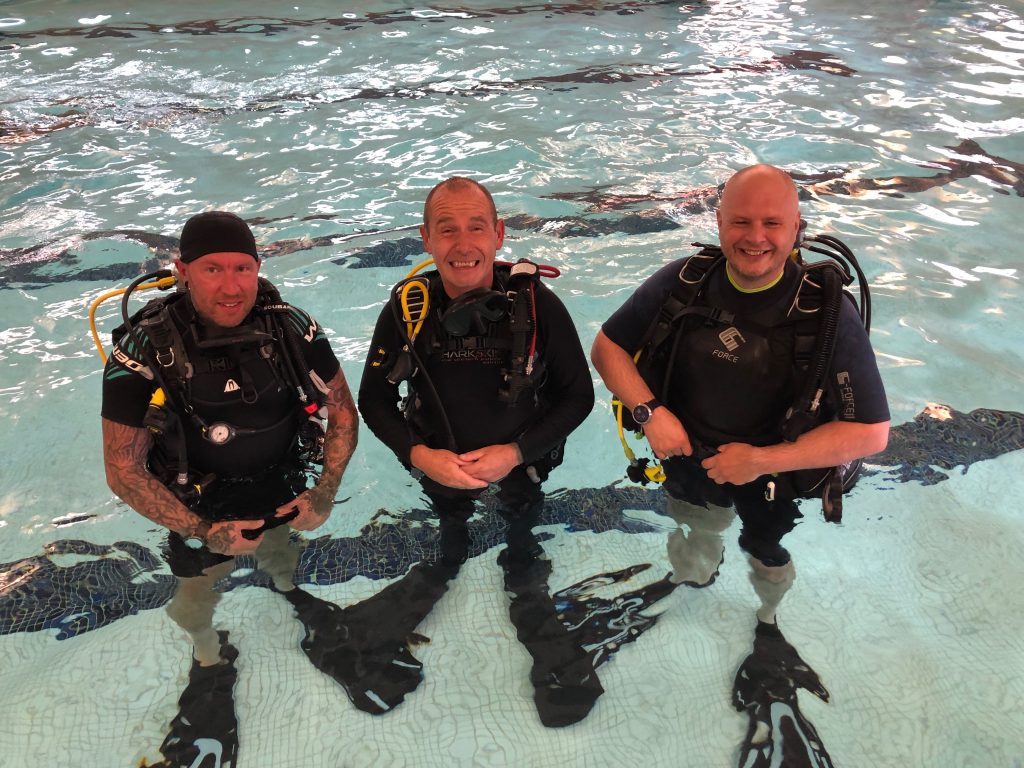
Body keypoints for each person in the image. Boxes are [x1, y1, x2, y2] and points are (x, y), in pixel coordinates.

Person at [100, 211, 358, 765]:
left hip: (282, 479)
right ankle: (208, 658)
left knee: (283, 553)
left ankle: (292, 596)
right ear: (182, 271)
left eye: (242, 267)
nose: (230, 285)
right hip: (195, 498)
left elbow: (342, 411)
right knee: (196, 597)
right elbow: (122, 468)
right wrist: (201, 530)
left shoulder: (290, 326)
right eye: (212, 268)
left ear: (258, 268)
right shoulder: (143, 347)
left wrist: (325, 491)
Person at [591, 164, 890, 625]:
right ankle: (696, 576)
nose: (756, 237)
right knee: (696, 524)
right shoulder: (685, 280)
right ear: (719, 223)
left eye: (772, 223)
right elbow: (608, 348)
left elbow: (870, 433)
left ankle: (768, 620)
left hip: (771, 475)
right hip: (687, 455)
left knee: (764, 549)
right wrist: (650, 414)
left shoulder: (826, 313)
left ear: (796, 228)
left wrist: (758, 461)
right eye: (741, 221)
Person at [358, 176, 599, 725]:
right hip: (438, 462)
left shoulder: (537, 306)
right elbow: (373, 399)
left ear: (498, 234)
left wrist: (515, 453)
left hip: (523, 460)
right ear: (425, 238)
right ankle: (450, 555)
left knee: (521, 521)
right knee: (451, 526)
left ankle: (521, 567)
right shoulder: (407, 309)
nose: (462, 244)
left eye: (475, 228)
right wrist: (421, 456)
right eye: (447, 229)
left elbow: (577, 396)